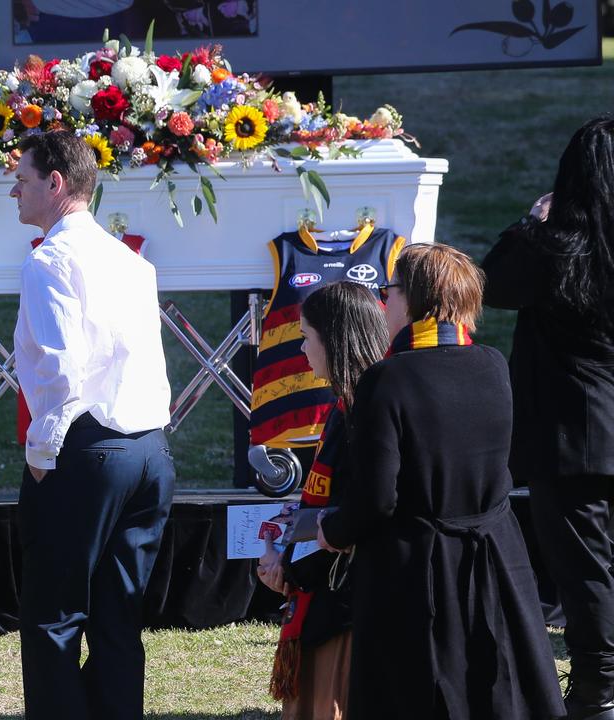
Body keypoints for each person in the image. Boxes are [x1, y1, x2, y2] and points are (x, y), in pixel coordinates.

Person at [317, 243, 565, 720]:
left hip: (416, 567)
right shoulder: (493, 364)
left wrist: (332, 530)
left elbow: (376, 499)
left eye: (388, 291)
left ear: (412, 299)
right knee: (492, 688)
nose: (383, 302)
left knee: (418, 694)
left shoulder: (386, 379)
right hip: (494, 557)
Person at [9, 129, 175, 720]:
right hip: (148, 448)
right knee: (117, 614)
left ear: (56, 184)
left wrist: (43, 450)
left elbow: (61, 367)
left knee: (53, 614)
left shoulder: (51, 258)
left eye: (22, 180)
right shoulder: (131, 260)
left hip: (88, 448)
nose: (13, 192)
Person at [483, 115, 614, 720]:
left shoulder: (557, 247)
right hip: (585, 427)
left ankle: (597, 689)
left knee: (587, 569)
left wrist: (530, 221)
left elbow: (492, 284)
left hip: (575, 433)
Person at [255, 281, 389, 720]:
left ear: (333, 339)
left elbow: (358, 517)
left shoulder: (366, 413)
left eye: (306, 336)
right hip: (332, 591)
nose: (301, 349)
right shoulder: (349, 404)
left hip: (345, 607)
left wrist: (291, 569)